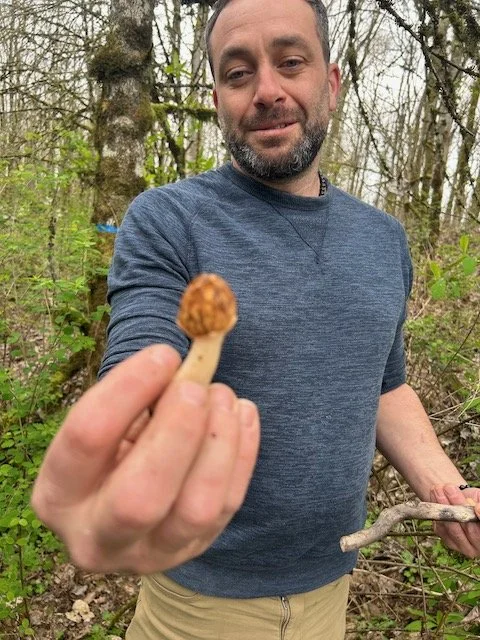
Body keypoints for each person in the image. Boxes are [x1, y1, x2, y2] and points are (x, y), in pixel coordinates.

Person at [32, 0, 480, 638]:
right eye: (238, 73)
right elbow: (140, 357)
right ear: (218, 98)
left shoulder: (383, 239)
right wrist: (123, 447)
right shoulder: (169, 220)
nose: (267, 90)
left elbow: (384, 385)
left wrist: (448, 492)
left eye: (290, 62)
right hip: (196, 605)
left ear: (331, 82)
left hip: (333, 585)